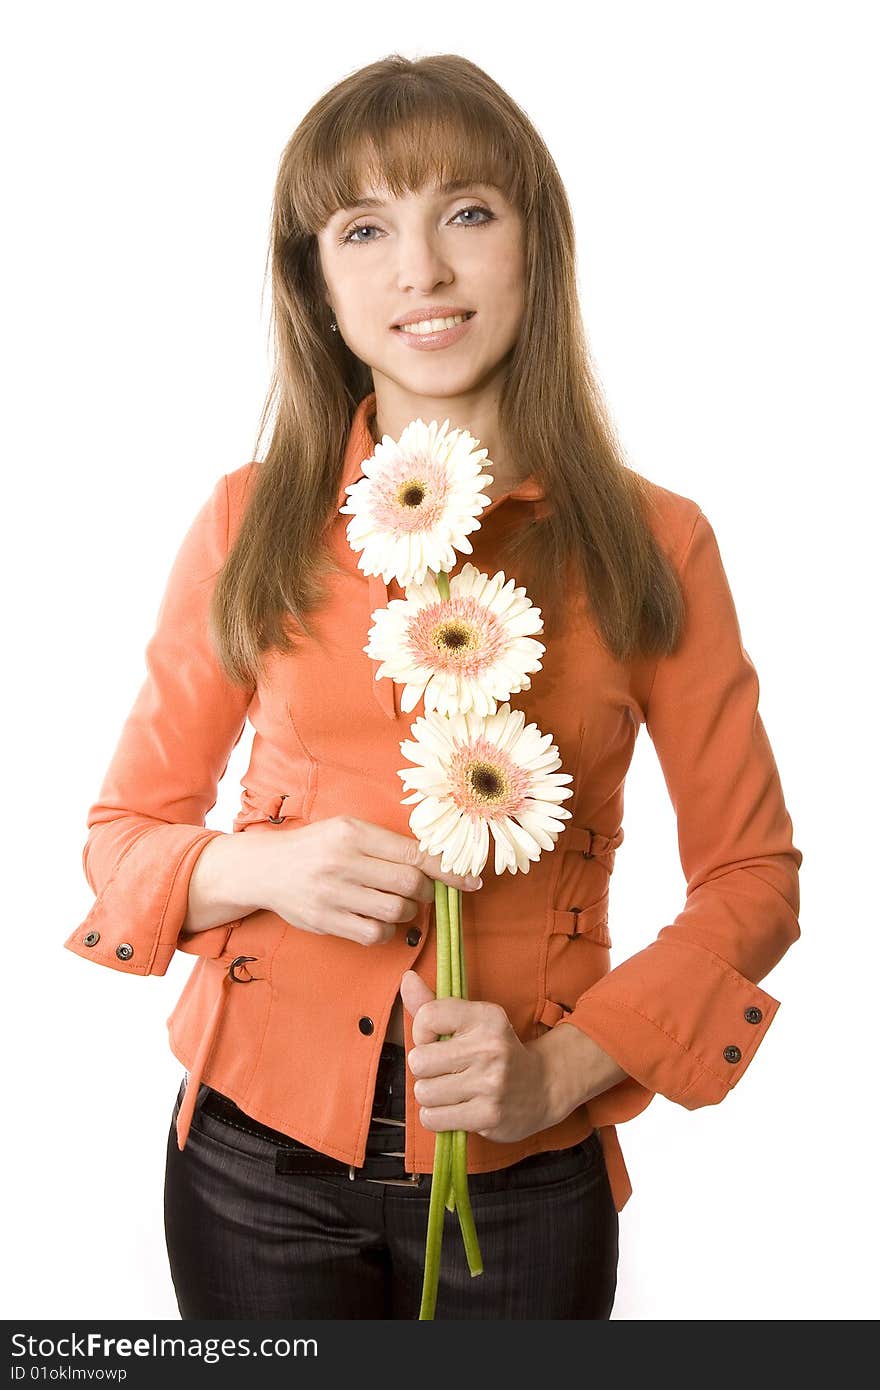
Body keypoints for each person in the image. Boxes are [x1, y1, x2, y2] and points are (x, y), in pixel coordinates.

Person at [64, 52, 802, 1321]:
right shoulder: (249, 524)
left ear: (535, 241)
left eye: (467, 210)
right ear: (317, 281)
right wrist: (263, 868)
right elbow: (120, 836)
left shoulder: (657, 543)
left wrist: (561, 1069)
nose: (422, 270)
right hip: (251, 1164)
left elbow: (752, 877)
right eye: (365, 227)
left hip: (524, 1178)